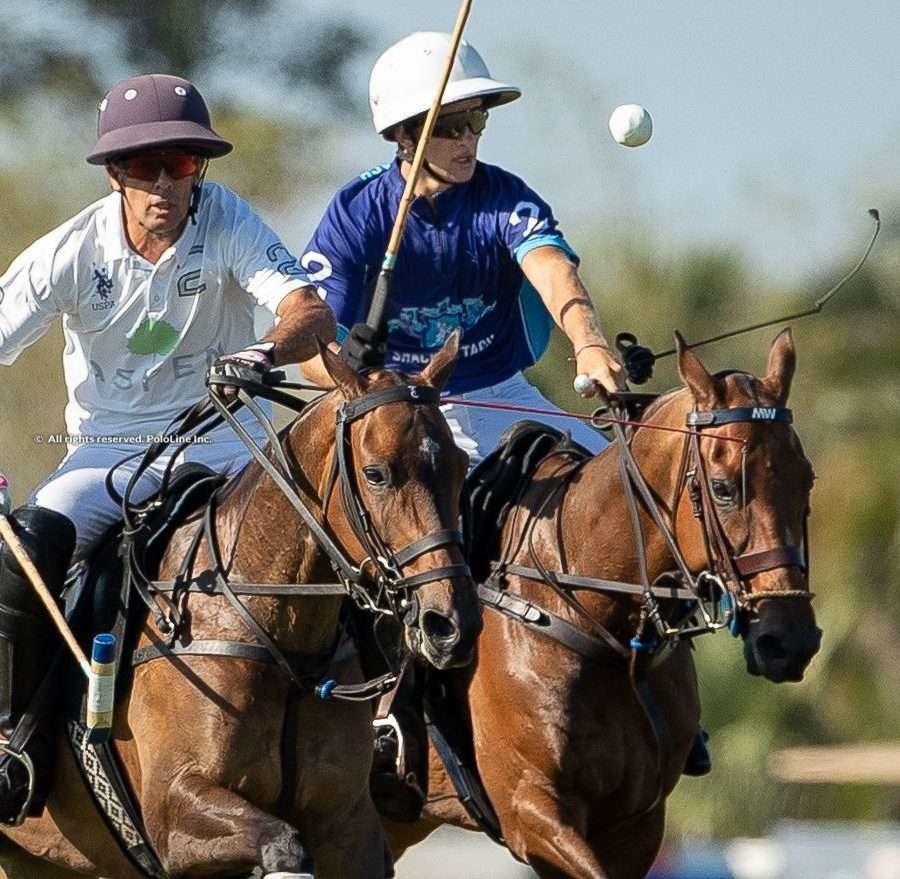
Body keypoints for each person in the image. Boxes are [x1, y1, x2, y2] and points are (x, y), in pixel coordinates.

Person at [300, 32, 710, 820]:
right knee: (404, 539)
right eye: (450, 127)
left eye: (475, 123)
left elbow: (554, 272)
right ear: (403, 135)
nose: (467, 141)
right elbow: (313, 337)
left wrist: (589, 344)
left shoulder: (504, 197)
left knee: (634, 497)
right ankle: (391, 709)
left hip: (500, 390)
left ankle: (672, 688)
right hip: (398, 407)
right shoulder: (357, 213)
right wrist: (345, 369)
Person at [0, 73, 334, 823]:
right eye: (144, 166)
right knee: (31, 541)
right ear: (115, 172)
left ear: (199, 169)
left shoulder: (228, 223)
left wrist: (263, 354)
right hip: (104, 458)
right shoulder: (73, 250)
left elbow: (309, 311)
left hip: (221, 451)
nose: (162, 183)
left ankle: (374, 721)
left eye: (180, 164)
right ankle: (14, 737)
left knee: (334, 531)